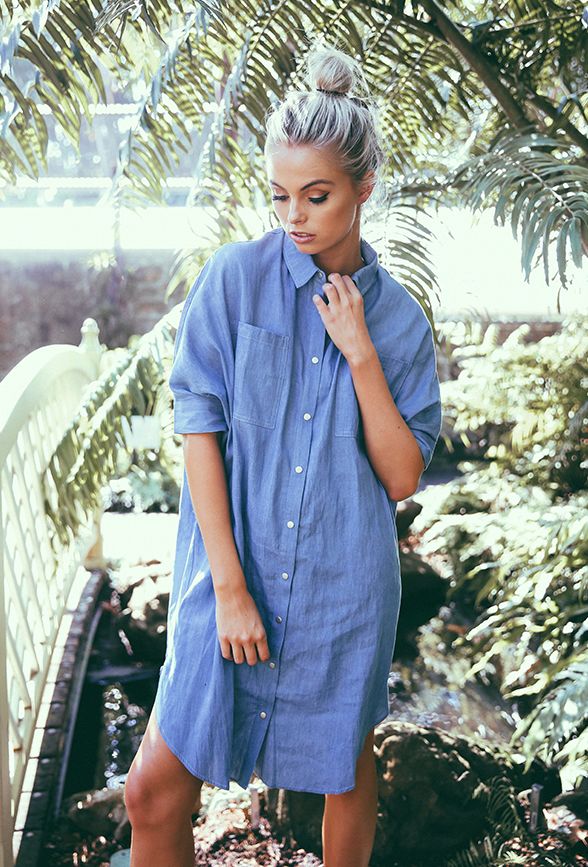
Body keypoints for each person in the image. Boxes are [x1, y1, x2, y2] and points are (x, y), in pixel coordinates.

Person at [124, 39, 443, 867]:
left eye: (316, 195)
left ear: (364, 187)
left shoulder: (401, 323)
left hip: (343, 590)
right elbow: (198, 427)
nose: (294, 216)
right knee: (152, 792)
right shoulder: (234, 281)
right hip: (231, 577)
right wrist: (230, 587)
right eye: (280, 195)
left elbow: (402, 476)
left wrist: (360, 353)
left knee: (343, 773)